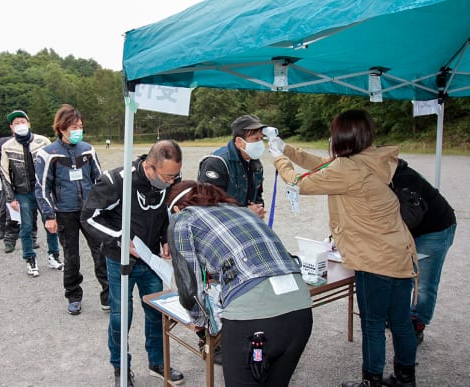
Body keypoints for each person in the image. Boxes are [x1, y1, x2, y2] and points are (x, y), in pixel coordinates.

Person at [270, 109, 418, 387]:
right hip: (399, 252)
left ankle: (371, 381)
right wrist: (288, 149)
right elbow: (324, 165)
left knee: (373, 323)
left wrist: (277, 157)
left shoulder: (348, 168)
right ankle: (405, 378)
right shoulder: (371, 158)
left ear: (341, 136)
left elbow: (299, 182)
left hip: (375, 259)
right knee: (400, 321)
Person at [167, 180, 313, 386]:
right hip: (300, 311)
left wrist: (201, 321)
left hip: (254, 319)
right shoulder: (240, 211)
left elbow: (189, 286)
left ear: (176, 207)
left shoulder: (183, 218)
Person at [82, 140, 185, 386]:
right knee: (120, 317)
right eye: (168, 177)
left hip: (151, 260)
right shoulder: (116, 181)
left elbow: (162, 212)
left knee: (158, 312)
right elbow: (88, 217)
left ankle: (158, 362)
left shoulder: (166, 180)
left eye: (176, 176)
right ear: (150, 167)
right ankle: (121, 368)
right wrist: (119, 238)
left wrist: (165, 237)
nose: (172, 182)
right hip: (120, 261)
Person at [35, 104, 108, 315]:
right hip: (64, 212)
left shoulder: (87, 149)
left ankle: (108, 295)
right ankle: (74, 296)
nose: (78, 130)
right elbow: (41, 187)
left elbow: (100, 180)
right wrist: (49, 215)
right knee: (71, 257)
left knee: (102, 252)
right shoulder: (48, 154)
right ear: (62, 128)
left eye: (80, 126)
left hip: (89, 211)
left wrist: (102, 207)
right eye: (74, 126)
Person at [391, 158, 456, 346]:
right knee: (402, 276)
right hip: (412, 231)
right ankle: (400, 318)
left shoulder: (404, 179)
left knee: (424, 283)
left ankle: (416, 324)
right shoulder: (379, 177)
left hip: (435, 230)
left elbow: (409, 218)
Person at [0, 109, 62, 277]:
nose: (20, 125)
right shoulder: (7, 146)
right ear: (11, 127)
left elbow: (53, 166)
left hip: (43, 191)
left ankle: (53, 255)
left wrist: (55, 190)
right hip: (22, 193)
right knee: (26, 227)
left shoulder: (43, 141)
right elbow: (4, 173)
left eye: (22, 121)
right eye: (16, 123)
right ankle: (30, 259)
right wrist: (10, 197)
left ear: (29, 123)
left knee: (51, 223)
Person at [197, 114, 269, 219]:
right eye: (255, 139)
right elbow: (208, 206)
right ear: (239, 142)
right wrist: (245, 211)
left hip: (244, 223)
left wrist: (258, 208)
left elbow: (257, 195)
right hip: (220, 227)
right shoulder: (216, 163)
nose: (260, 143)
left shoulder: (255, 163)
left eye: (261, 138)